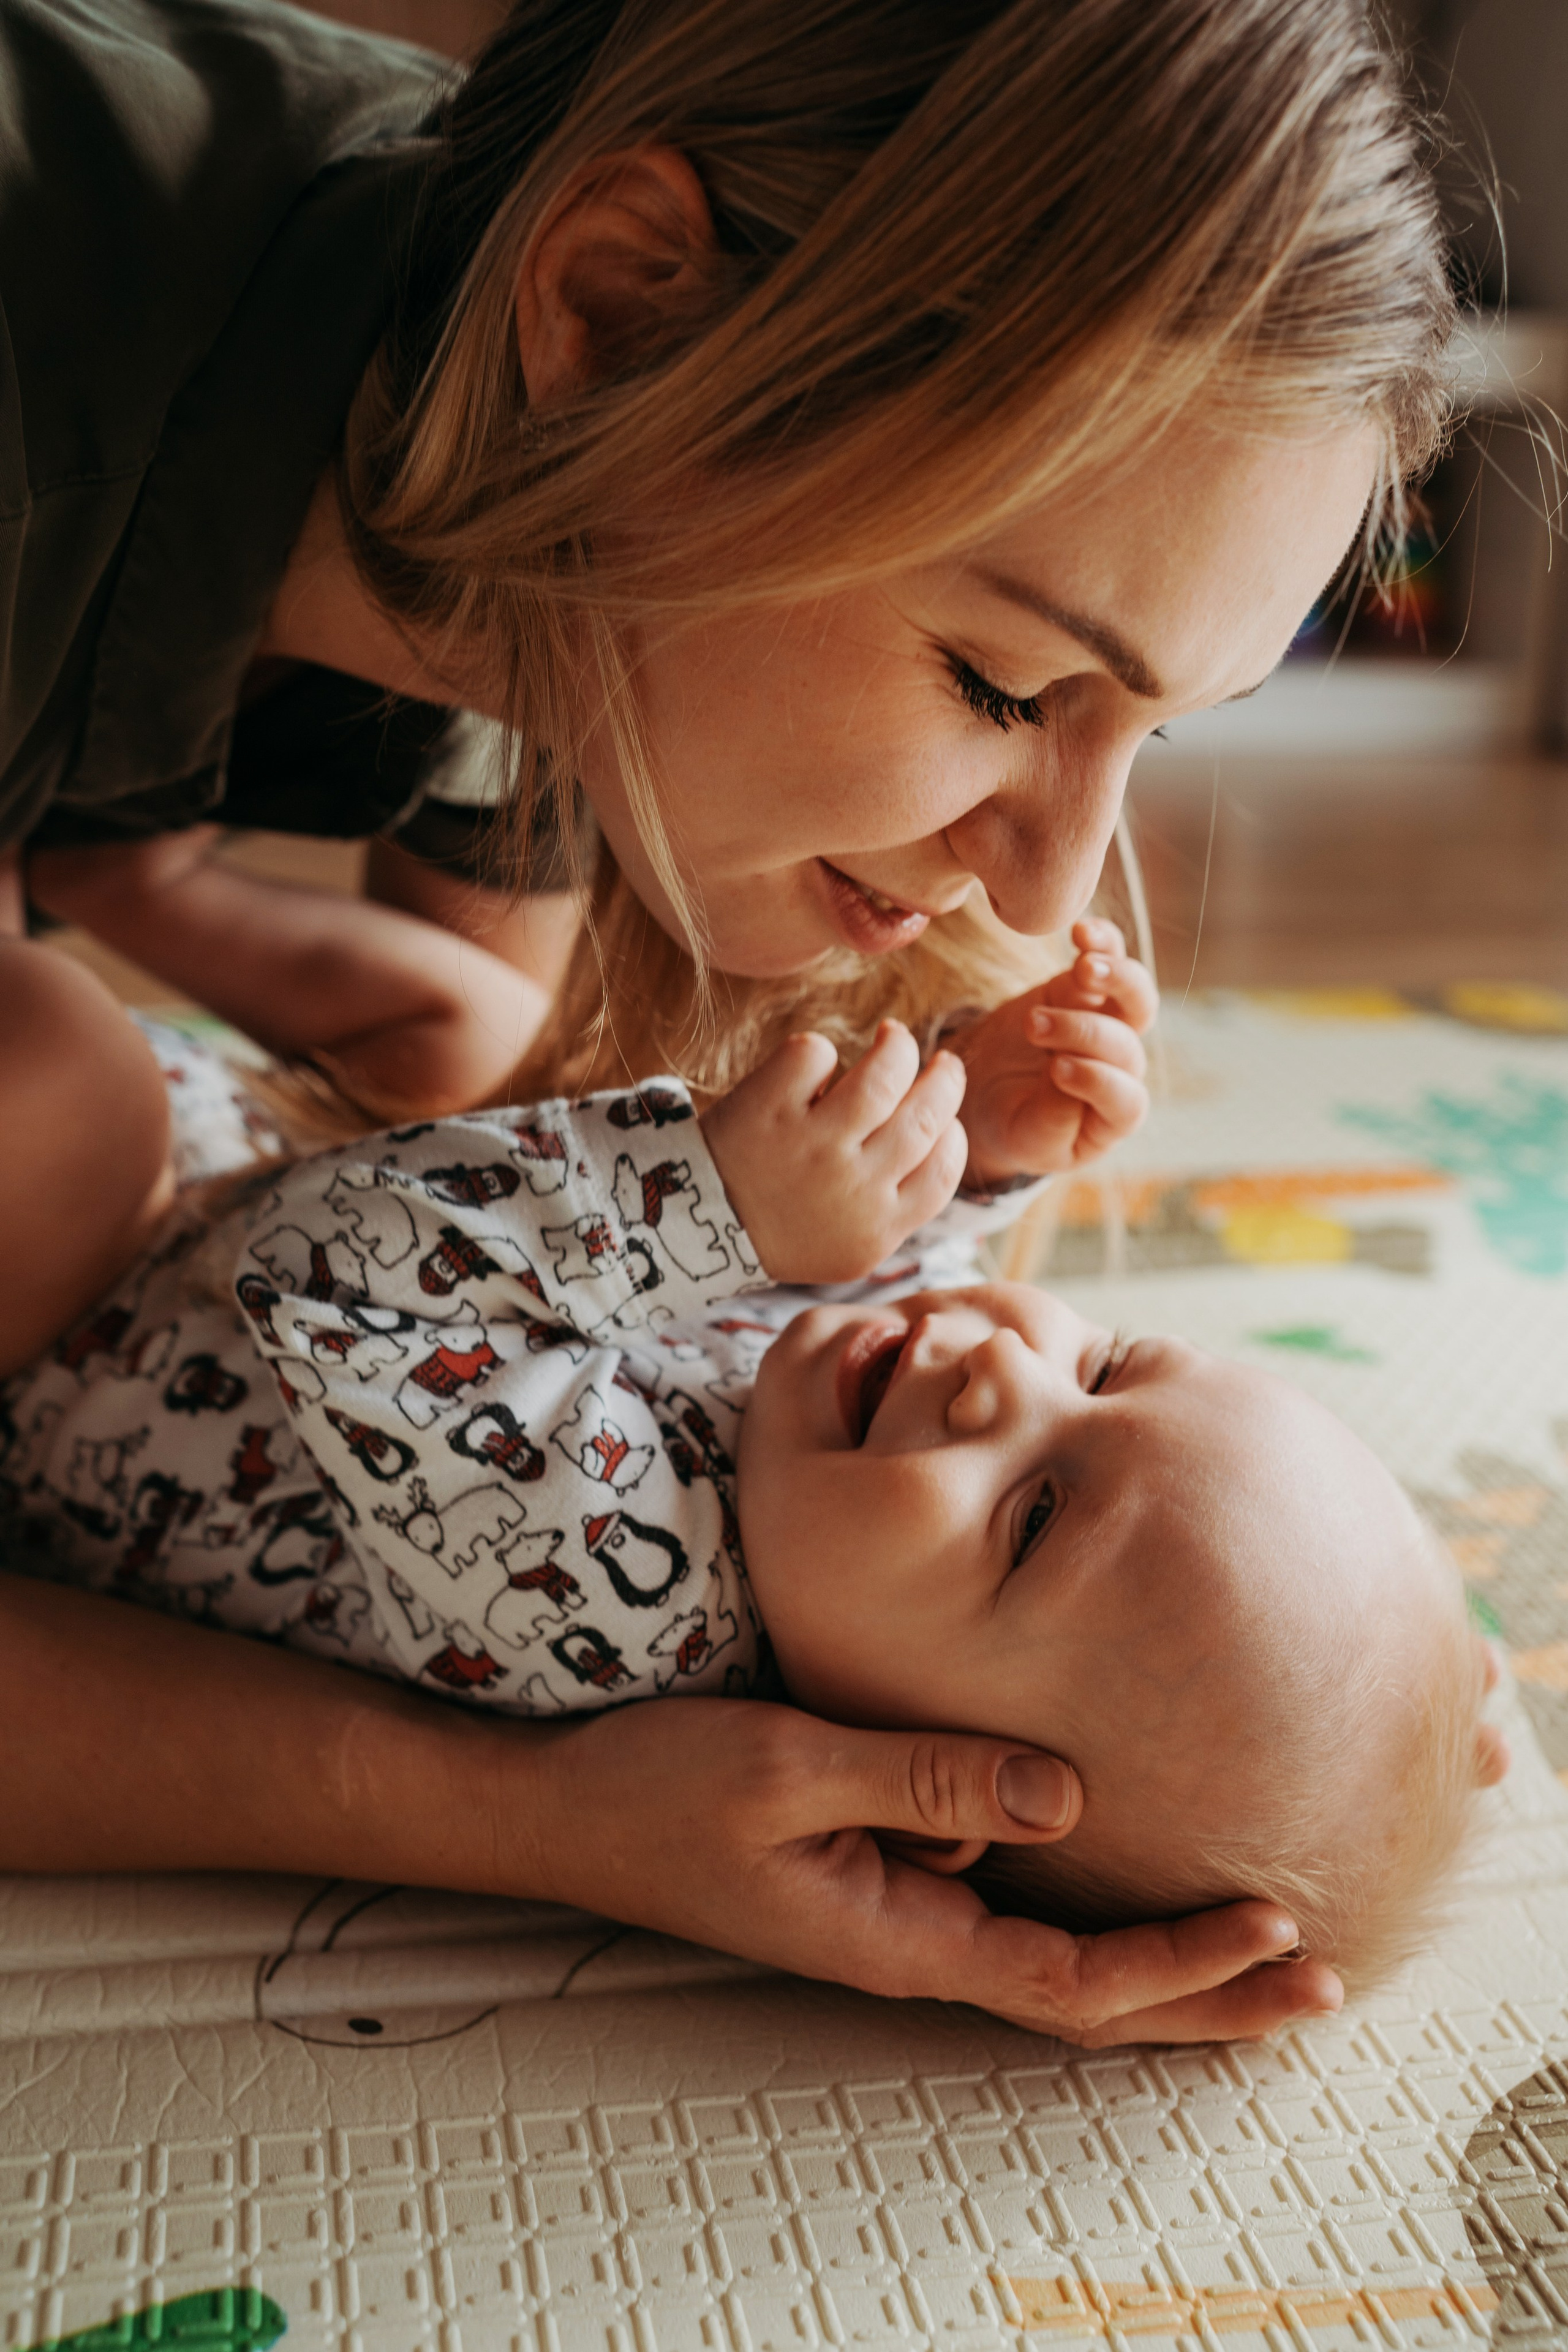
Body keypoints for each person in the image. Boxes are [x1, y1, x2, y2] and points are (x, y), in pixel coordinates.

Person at [0, 0, 1459, 2035]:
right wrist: (540, 1826)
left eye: (1148, 734)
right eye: (997, 683)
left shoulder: (523, 475)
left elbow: (492, 1096)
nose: (1048, 895)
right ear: (607, 311)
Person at [1, 936, 1501, 1996]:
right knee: (471, 1018)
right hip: (237, 1186)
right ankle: (153, 879)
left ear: (933, 1805)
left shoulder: (621, 1608)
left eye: (1037, 1515)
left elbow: (330, 1278)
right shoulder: (835, 1512)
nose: (1003, 1365)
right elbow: (823, 1304)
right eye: (1106, 1364)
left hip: (81, 1327)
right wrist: (967, 1151)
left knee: (59, 1065)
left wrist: (708, 1202)